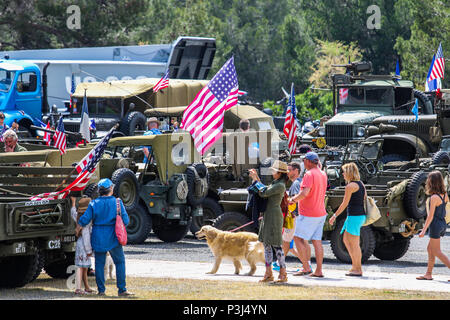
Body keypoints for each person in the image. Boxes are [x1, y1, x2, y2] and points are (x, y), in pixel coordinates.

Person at [77, 178, 134, 296]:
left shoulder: (93, 203)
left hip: (98, 236)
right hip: (114, 236)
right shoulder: (117, 202)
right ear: (111, 189)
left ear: (99, 191)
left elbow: (84, 220)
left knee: (99, 264)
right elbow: (126, 221)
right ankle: (122, 290)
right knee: (119, 262)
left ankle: (101, 291)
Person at [289, 152, 327, 278]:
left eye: (304, 160)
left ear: (309, 161)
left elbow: (305, 193)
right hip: (320, 212)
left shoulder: (309, 174)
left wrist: (293, 200)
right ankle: (318, 270)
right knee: (317, 242)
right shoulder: (322, 173)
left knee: (297, 238)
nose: (303, 162)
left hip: (308, 213)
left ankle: (306, 268)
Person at [249, 160, 289, 283]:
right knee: (267, 244)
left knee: (276, 245)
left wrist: (256, 179)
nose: (272, 172)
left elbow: (263, 193)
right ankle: (268, 273)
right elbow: (264, 189)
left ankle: (283, 273)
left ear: (280, 173)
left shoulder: (279, 185)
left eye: (274, 170)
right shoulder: (276, 183)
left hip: (273, 216)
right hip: (269, 215)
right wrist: (257, 178)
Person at [329, 162, 366, 277]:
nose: (343, 174)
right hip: (357, 216)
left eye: (344, 172)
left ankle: (358, 269)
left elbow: (344, 204)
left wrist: (334, 216)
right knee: (346, 240)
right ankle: (355, 266)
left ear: (349, 173)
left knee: (354, 244)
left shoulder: (350, 186)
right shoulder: (361, 184)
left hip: (354, 216)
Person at [416, 171, 450, 281]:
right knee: (430, 249)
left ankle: (429, 273)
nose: (427, 182)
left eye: (429, 180)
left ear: (432, 182)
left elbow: (430, 217)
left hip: (435, 225)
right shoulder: (444, 195)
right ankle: (428, 274)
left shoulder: (433, 197)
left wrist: (423, 230)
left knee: (436, 251)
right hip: (442, 224)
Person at [70, 196, 94, 295]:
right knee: (81, 268)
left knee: (83, 267)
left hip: (79, 244)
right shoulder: (87, 222)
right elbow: (86, 237)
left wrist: (73, 202)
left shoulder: (78, 217)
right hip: (84, 246)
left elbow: (73, 212)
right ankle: (78, 288)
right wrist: (89, 251)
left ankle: (86, 287)